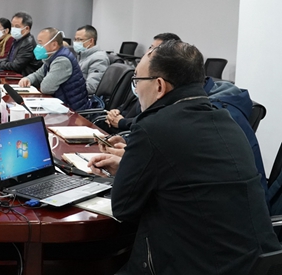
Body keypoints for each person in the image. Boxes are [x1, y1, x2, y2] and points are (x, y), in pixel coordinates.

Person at [88, 41, 279, 274]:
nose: (136, 89)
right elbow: (191, 179)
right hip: (256, 264)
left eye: (137, 80)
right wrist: (128, 167)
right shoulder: (227, 120)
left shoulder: (153, 128)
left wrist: (130, 172)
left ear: (159, 85)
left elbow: (123, 208)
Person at [103, 33, 181, 132]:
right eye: (150, 47)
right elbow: (127, 105)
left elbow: (152, 121)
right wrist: (115, 112)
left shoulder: (164, 85)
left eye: (155, 49)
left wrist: (122, 122)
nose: (148, 52)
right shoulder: (144, 76)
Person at [18, 27, 89, 111]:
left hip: (72, 110)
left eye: (40, 43)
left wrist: (38, 81)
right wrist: (28, 79)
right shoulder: (52, 57)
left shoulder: (62, 61)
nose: (38, 47)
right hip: (61, 105)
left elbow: (46, 88)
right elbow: (39, 74)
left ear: (54, 45)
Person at [0, 12, 41, 76]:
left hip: (23, 78)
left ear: (27, 29)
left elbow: (16, 66)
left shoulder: (28, 43)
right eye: (12, 26)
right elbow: (8, 59)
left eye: (17, 26)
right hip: (14, 75)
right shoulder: (17, 40)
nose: (13, 28)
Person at [73, 25, 109, 94]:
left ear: (91, 41)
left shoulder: (99, 59)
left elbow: (91, 88)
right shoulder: (82, 56)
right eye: (75, 39)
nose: (76, 42)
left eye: (79, 40)